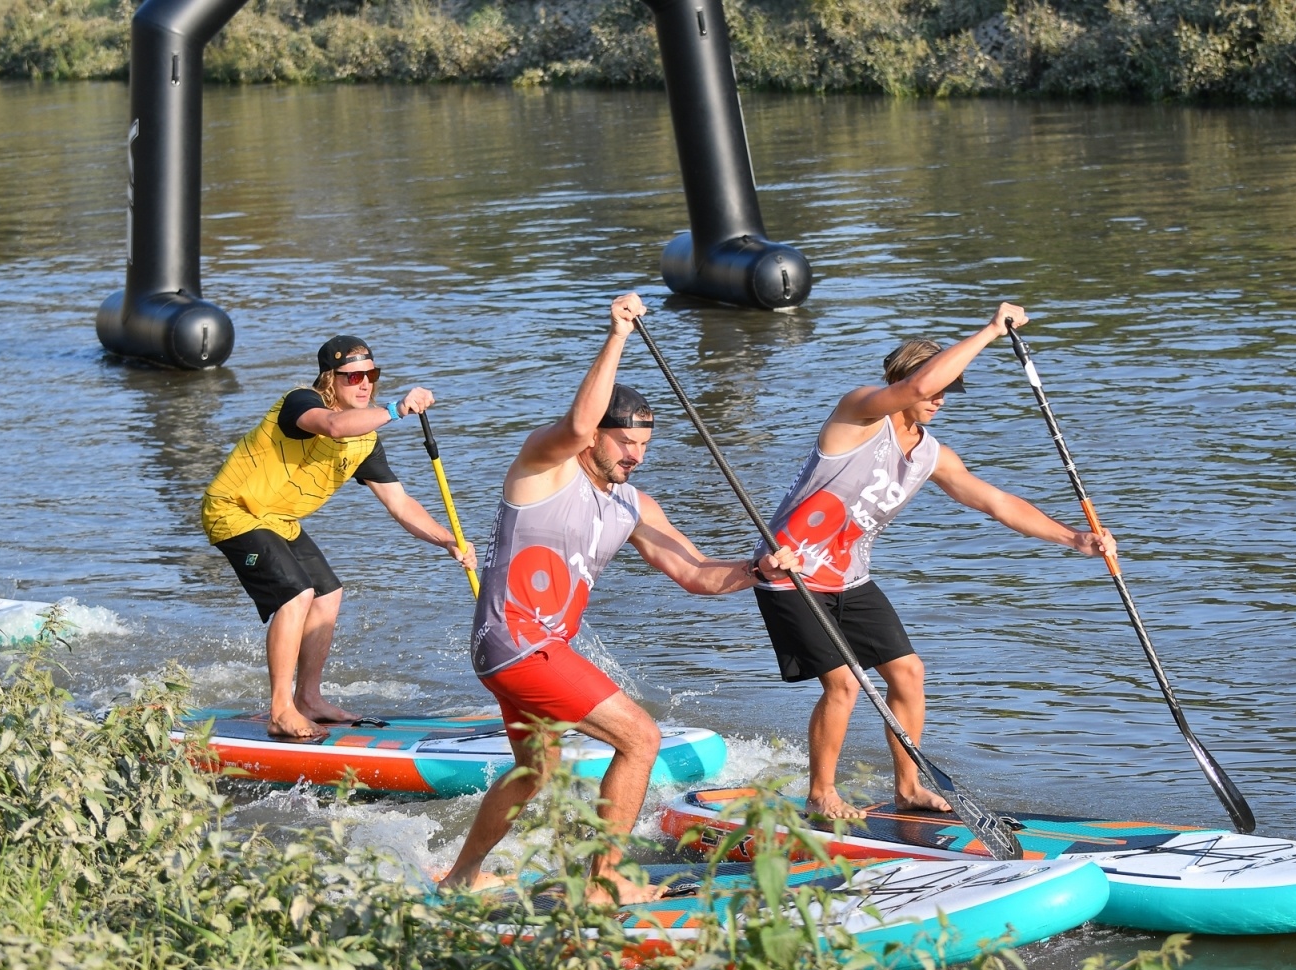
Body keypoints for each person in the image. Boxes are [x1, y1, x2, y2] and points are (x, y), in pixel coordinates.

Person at [439, 293, 800, 904]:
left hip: (528, 651)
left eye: (644, 446)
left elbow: (694, 574)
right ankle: (603, 883)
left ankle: (459, 878)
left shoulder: (636, 506)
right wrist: (617, 334)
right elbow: (577, 424)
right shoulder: (543, 467)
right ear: (592, 439)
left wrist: (757, 569)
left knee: (536, 772)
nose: (633, 455)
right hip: (517, 642)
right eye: (622, 443)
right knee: (641, 738)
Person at [753, 303, 1118, 820]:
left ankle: (908, 788)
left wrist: (1075, 538)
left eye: (951, 391)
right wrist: (992, 330)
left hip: (849, 575)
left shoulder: (932, 455)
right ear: (904, 382)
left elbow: (995, 502)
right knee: (846, 684)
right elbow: (921, 387)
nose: (942, 400)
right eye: (938, 388)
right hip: (787, 573)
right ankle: (821, 794)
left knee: (908, 674)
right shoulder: (858, 413)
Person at [201, 335, 476, 741]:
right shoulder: (300, 403)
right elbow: (332, 426)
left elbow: (400, 504)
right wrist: (398, 410)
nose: (364, 384)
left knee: (328, 593)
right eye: (353, 377)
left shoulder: (365, 440)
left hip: (280, 519)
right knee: (296, 594)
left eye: (371, 375)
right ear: (330, 380)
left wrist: (447, 540)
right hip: (233, 511)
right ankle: (281, 710)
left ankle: (308, 698)